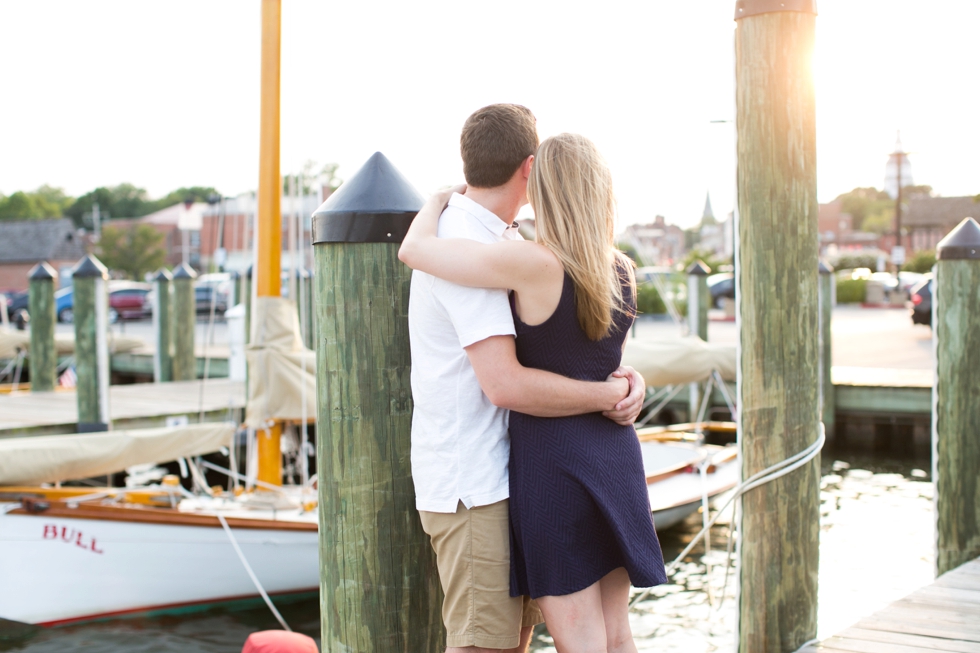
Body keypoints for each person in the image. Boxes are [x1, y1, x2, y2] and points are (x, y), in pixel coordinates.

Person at [400, 131, 667, 653]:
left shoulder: (533, 264)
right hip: (614, 456)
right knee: (617, 635)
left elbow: (415, 251)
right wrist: (624, 388)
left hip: (554, 464)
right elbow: (595, 359)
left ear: (542, 186)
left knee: (581, 639)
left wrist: (435, 200)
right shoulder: (623, 270)